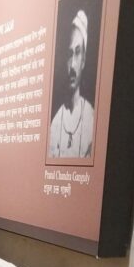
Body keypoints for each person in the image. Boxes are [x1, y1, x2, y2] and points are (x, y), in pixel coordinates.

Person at [49, 9, 95, 158]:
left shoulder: (91, 118)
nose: (73, 65)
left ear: (84, 60)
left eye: (77, 52)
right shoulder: (55, 124)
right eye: (70, 54)